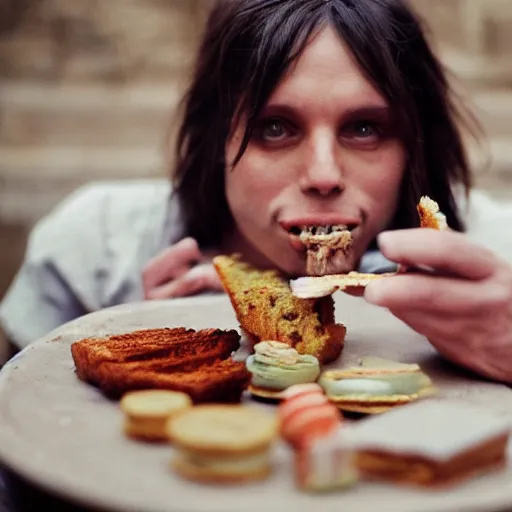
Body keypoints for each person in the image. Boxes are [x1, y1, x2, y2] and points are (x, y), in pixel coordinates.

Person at [1, 0, 512, 382]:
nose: (323, 174)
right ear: (213, 139)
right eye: (274, 128)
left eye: (363, 128)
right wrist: (133, 339)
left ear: (415, 146)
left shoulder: (497, 258)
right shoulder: (96, 253)